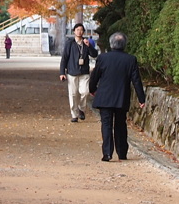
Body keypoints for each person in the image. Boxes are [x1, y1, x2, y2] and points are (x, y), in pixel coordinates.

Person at [88, 32, 146, 162]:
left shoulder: (103, 58)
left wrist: (92, 89)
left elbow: (95, 76)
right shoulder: (130, 59)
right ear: (125, 44)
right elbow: (136, 80)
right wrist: (141, 98)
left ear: (111, 44)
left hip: (105, 96)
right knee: (120, 124)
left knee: (106, 124)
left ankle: (107, 153)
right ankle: (122, 152)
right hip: (121, 96)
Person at [59, 23, 98, 122]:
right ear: (74, 31)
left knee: (85, 91)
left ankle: (81, 108)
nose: (79, 31)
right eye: (77, 30)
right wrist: (62, 72)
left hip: (84, 72)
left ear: (83, 32)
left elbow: (94, 54)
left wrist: (89, 46)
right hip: (72, 71)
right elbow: (64, 58)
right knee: (73, 94)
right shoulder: (70, 43)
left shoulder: (86, 43)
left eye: (81, 30)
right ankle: (74, 114)